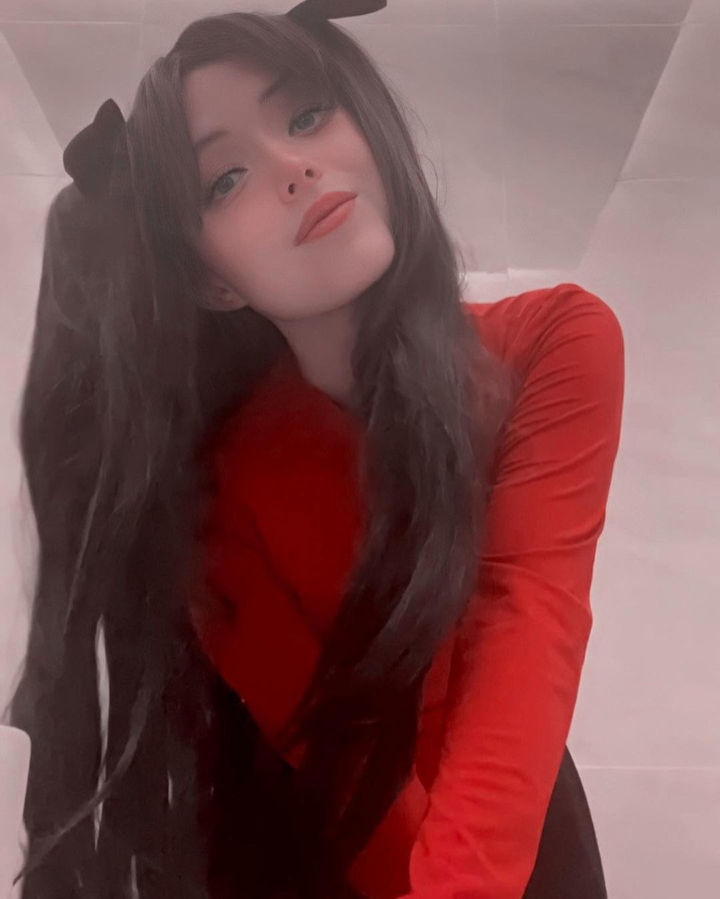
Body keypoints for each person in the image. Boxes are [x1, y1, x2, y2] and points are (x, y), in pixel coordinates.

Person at [3, 1, 624, 897]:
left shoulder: (555, 343)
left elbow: (526, 619)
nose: (294, 168)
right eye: (226, 179)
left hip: (518, 815)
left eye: (307, 115)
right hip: (339, 838)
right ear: (211, 279)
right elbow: (343, 757)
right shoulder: (219, 486)